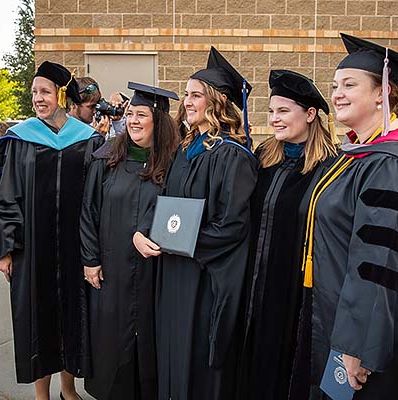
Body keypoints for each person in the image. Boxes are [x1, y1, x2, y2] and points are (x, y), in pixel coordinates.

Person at [302, 33, 398, 399]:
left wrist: (358, 346)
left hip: (366, 347)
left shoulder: (391, 165)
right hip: (343, 325)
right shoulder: (362, 154)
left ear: (381, 93)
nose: (337, 93)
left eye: (349, 84)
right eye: (335, 85)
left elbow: (383, 261)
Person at [134, 47, 258, 400]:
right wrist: (145, 232)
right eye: (186, 95)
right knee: (172, 352)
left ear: (216, 102)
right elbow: (165, 203)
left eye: (195, 95)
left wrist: (186, 241)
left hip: (204, 278)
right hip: (172, 271)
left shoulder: (232, 155)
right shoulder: (185, 149)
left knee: (197, 363)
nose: (187, 101)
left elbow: (233, 227)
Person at [0, 60, 97, 400]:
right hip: (31, 248)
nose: (37, 99)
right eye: (34, 92)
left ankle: (67, 388)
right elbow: (3, 194)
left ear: (59, 94)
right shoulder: (19, 139)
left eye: (44, 92)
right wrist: (3, 248)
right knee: (37, 320)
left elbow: (97, 196)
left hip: (74, 247)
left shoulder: (88, 139)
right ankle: (42, 394)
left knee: (72, 318)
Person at [237, 70, 338, 400]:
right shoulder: (264, 157)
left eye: (283, 111)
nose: (274, 119)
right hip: (254, 285)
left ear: (310, 114)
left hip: (296, 292)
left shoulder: (332, 168)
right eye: (271, 111)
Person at [80, 82, 179, 400]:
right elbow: (88, 211)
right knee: (113, 341)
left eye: (141, 114)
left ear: (158, 121)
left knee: (149, 341)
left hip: (155, 274)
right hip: (112, 271)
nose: (133, 120)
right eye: (130, 113)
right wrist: (90, 259)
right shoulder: (107, 157)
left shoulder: (175, 163)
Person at [69, 77, 106, 151]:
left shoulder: (95, 126)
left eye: (96, 106)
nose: (95, 111)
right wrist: (94, 140)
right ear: (74, 104)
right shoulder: (61, 129)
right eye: (91, 106)